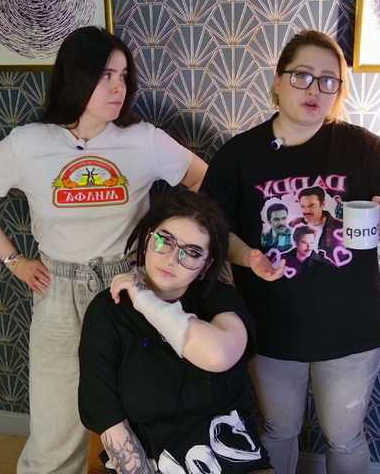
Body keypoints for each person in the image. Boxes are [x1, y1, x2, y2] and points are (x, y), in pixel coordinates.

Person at [0, 26, 207, 474]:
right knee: (56, 428)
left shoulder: (143, 139)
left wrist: (174, 246)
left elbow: (203, 179)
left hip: (128, 288)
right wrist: (14, 261)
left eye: (124, 76)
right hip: (58, 289)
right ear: (76, 76)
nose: (118, 87)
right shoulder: (29, 143)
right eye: (106, 75)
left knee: (145, 413)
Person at [201, 30, 380, 474]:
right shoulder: (240, 154)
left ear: (339, 90)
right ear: (278, 80)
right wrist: (248, 257)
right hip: (270, 326)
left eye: (328, 80)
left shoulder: (362, 147)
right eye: (302, 75)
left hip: (350, 329)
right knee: (278, 430)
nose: (314, 89)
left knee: (345, 437)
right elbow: (212, 231)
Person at [78, 191, 272, 474]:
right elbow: (106, 414)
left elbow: (218, 355)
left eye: (191, 253)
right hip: (148, 462)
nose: (171, 259)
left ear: (206, 264)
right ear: (147, 239)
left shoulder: (219, 298)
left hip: (231, 459)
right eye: (164, 241)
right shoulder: (108, 310)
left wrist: (145, 300)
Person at [289, 186, 342, 262]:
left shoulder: (339, 227)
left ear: (322, 204)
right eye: (303, 206)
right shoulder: (293, 224)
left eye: (311, 206)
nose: (306, 211)